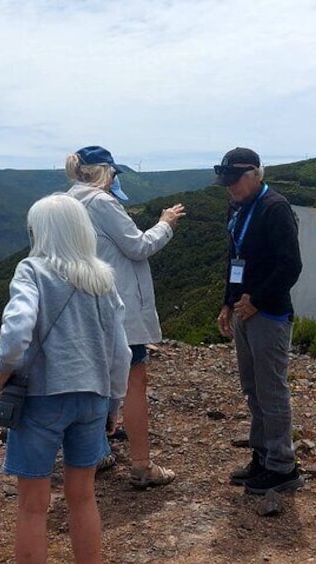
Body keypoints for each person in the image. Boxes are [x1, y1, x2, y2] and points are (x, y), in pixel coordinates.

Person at [0, 193, 131, 564]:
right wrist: (114, 403)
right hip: (92, 398)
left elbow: (16, 331)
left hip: (42, 396)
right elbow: (122, 353)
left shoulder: (32, 270)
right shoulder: (103, 279)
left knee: (33, 504)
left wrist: (4, 370)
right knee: (83, 497)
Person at [66, 145, 185, 489]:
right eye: (115, 173)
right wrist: (165, 224)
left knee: (97, 382)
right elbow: (138, 246)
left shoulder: (66, 203)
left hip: (84, 307)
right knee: (134, 384)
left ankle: (96, 450)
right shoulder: (101, 203)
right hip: (118, 310)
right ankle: (142, 466)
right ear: (106, 172)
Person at [214, 147, 305, 495]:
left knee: (271, 390)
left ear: (255, 174)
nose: (229, 188)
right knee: (253, 389)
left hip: (269, 313)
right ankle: (263, 456)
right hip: (243, 311)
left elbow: (290, 265)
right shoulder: (238, 207)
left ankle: (283, 467)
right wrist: (228, 302)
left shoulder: (275, 208)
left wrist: (258, 300)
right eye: (226, 182)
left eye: (235, 181)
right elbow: (234, 258)